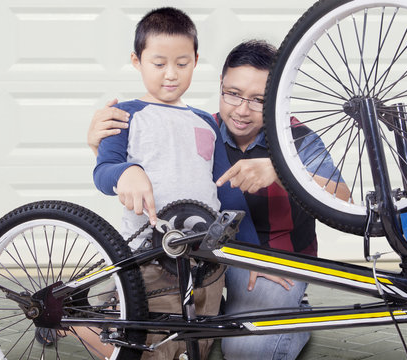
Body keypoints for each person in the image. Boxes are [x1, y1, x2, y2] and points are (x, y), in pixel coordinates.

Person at [89, 40, 350, 360]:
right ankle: (223, 310)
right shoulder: (201, 127)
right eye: (233, 93)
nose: (241, 109)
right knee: (114, 317)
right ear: (221, 86)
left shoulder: (297, 138)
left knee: (247, 350)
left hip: (268, 261)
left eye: (258, 100)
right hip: (200, 255)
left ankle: (293, 313)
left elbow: (341, 194)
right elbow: (154, 177)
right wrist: (100, 148)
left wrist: (282, 172)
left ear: (276, 100)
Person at [93, 8, 260, 360]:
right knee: (153, 346)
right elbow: (104, 170)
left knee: (197, 340)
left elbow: (227, 190)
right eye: (159, 64)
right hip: (151, 257)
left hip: (206, 259)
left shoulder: (205, 122)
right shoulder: (126, 114)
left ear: (196, 61)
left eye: (182, 64)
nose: (171, 75)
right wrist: (127, 171)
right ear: (136, 61)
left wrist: (255, 255)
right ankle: (74, 322)